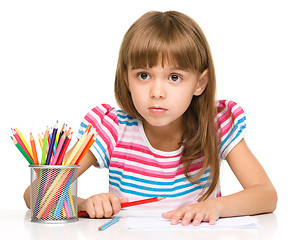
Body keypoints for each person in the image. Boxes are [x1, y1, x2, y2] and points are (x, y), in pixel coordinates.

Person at [24, 11, 277, 226]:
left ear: (200, 83)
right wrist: (84, 203)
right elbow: (35, 193)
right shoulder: (113, 129)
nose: (157, 92)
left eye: (174, 77)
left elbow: (266, 195)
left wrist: (216, 208)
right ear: (127, 79)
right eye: (143, 75)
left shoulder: (216, 126)